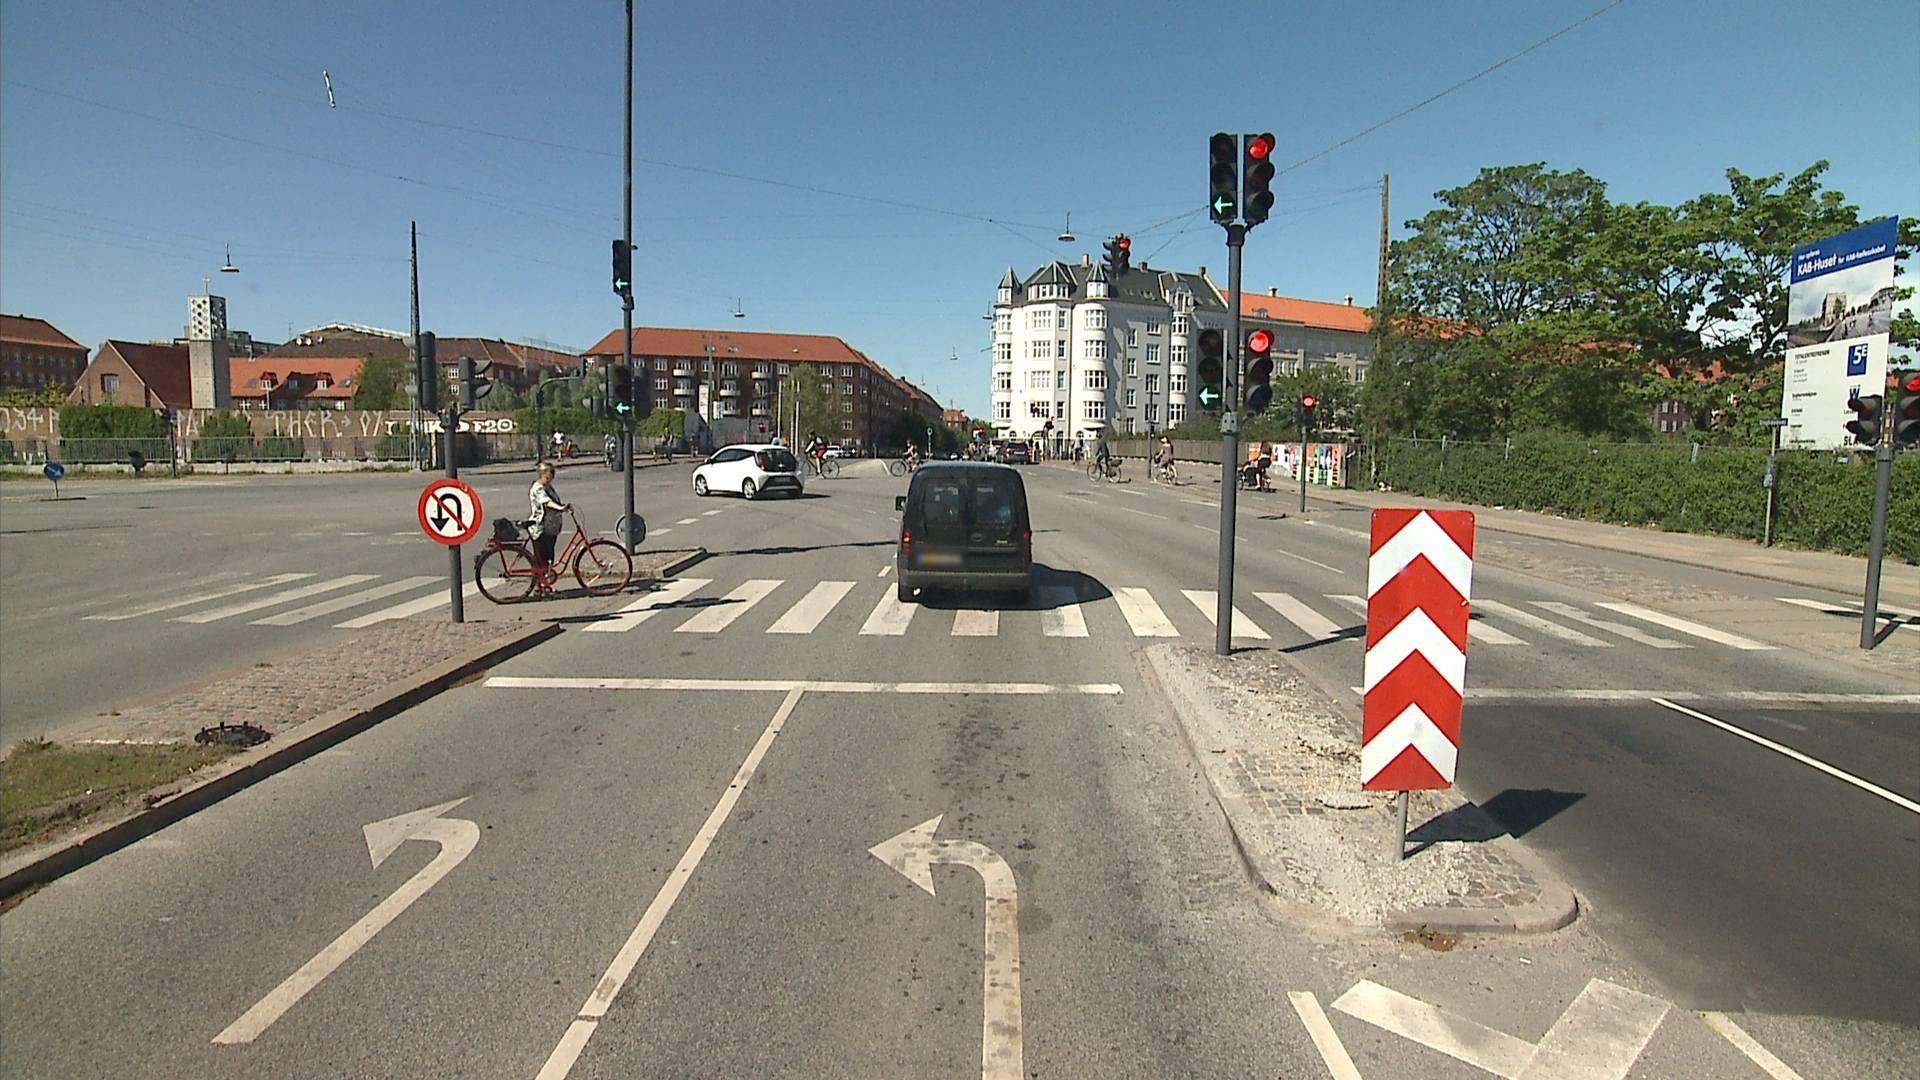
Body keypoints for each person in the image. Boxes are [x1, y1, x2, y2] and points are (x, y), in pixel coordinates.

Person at [527, 462, 569, 594]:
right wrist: (560, 508)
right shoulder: (538, 488)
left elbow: (555, 500)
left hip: (551, 528)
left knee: (548, 556)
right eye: (551, 472)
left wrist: (563, 506)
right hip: (541, 528)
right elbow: (547, 502)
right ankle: (541, 586)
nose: (553, 475)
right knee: (541, 559)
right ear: (543, 473)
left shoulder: (548, 487)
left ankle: (544, 585)